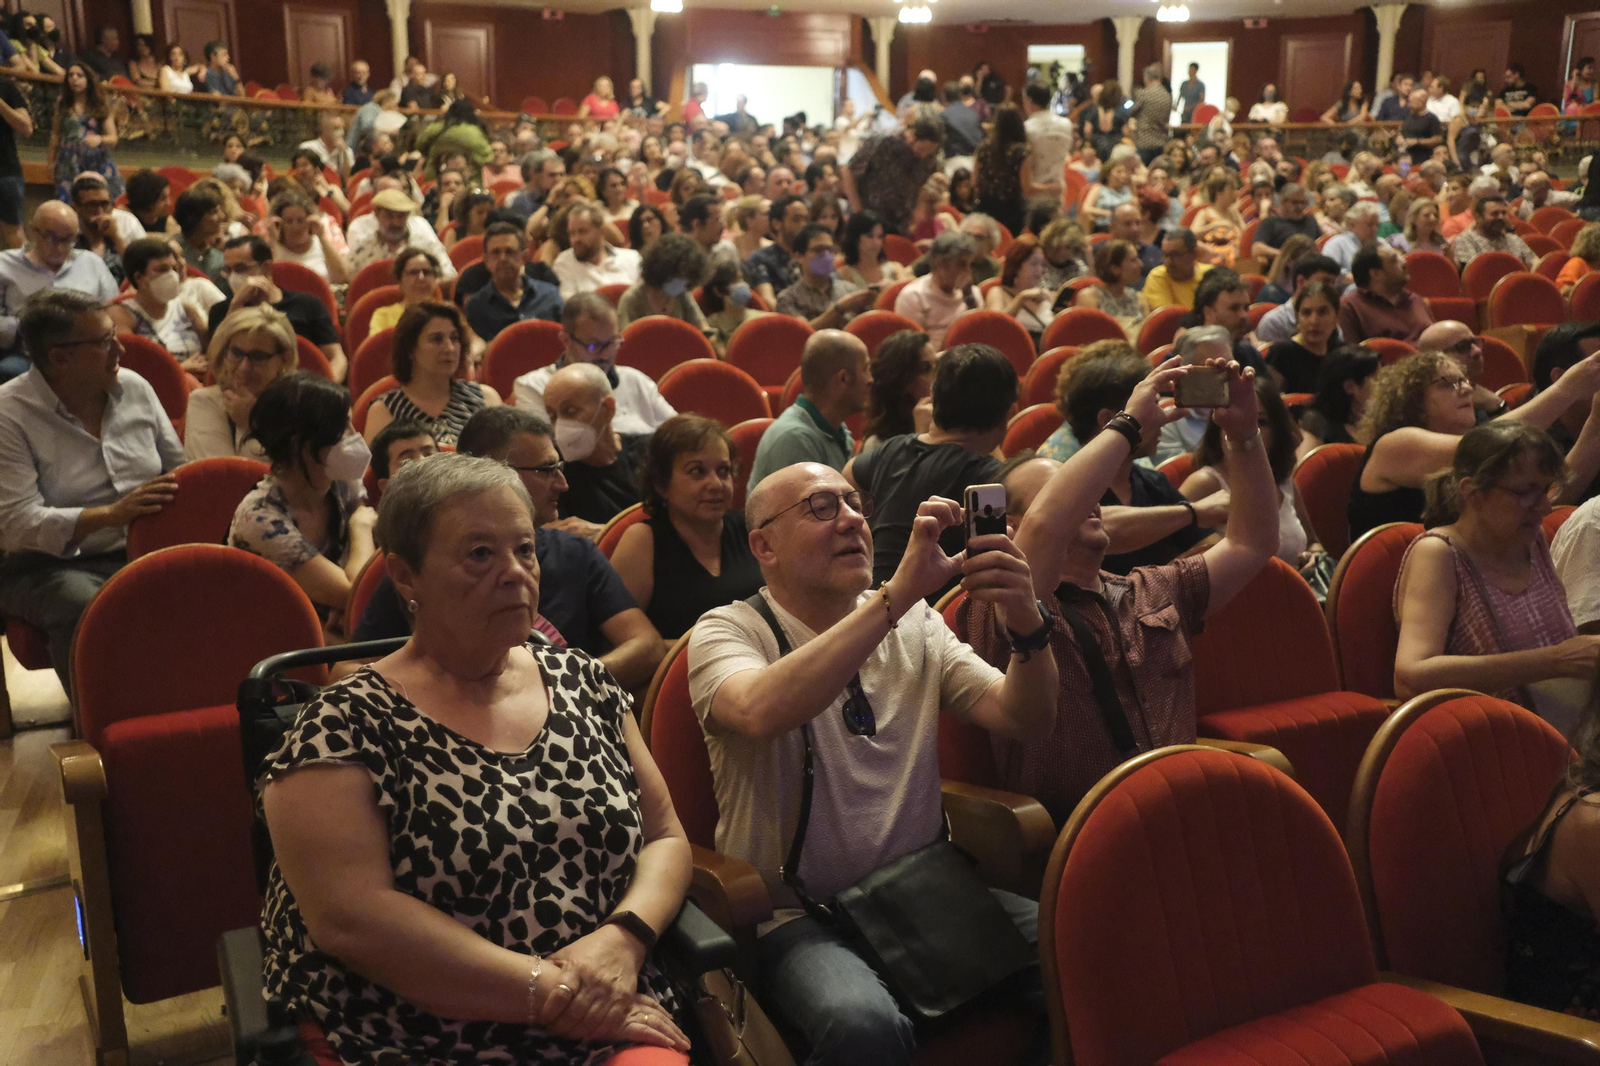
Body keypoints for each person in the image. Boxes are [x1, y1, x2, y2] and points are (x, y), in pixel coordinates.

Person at [260, 449, 693, 1065]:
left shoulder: (582, 679)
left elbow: (666, 837)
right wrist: (552, 989)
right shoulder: (343, 725)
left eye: (525, 549)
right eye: (480, 554)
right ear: (406, 577)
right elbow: (354, 922)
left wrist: (624, 939)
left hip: (608, 1001)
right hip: (421, 1028)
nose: (516, 572)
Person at [686, 457, 1056, 1066]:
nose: (851, 520)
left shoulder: (914, 621)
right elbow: (759, 710)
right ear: (764, 545)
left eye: (854, 503)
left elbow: (1026, 719)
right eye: (821, 507)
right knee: (861, 1026)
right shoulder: (727, 631)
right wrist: (897, 594)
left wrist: (1026, 623)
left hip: (922, 894)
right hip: (796, 915)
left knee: (1080, 946)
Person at [960, 354, 1277, 821]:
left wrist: (1243, 436)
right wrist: (1128, 425)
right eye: (1067, 493)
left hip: (1185, 813)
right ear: (1010, 528)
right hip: (1085, 838)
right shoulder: (1000, 605)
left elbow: (1252, 541)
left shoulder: (1152, 587)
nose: (1088, 498)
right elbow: (1047, 528)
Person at [0, 288, 183, 688]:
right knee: (86, 606)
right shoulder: (9, 415)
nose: (121, 349)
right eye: (104, 342)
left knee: (215, 581)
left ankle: (194, 708)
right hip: (45, 565)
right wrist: (112, 515)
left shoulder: (134, 388)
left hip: (143, 546)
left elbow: (179, 472)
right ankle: (102, 728)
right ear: (59, 358)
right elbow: (15, 524)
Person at [1394, 421, 1592, 737]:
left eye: (1545, 489)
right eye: (1525, 492)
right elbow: (1410, 676)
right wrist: (1555, 661)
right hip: (1489, 743)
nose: (1543, 506)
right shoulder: (1439, 554)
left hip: (1557, 733)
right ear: (1473, 492)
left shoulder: (1532, 538)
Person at [1349, 349, 1600, 541]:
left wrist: (1595, 427)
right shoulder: (1395, 444)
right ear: (1410, 400)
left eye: (1465, 381)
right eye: (1448, 383)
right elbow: (1490, 443)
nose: (1466, 390)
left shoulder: (1479, 449)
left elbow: (1549, 503)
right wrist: (1569, 387)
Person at [843, 343, 1015, 599]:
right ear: (1008, 413)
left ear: (934, 399)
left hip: (869, 608)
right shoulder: (993, 485)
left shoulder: (889, 450)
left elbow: (846, 479)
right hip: (937, 626)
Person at [228, 372, 375, 632]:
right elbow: (356, 592)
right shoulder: (260, 519)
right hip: (269, 641)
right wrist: (361, 525)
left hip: (336, 632)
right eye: (342, 429)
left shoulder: (340, 481)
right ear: (300, 445)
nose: (355, 436)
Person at [609, 414, 763, 640]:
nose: (716, 484)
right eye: (697, 472)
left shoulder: (750, 526)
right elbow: (629, 647)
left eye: (724, 471)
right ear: (662, 484)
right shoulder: (642, 540)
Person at [1181, 375, 1321, 569]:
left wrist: (1313, 556)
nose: (1245, 429)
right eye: (1233, 418)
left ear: (1277, 431)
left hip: (1295, 589)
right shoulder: (1204, 483)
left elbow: (1314, 542)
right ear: (1218, 426)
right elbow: (1172, 564)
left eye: (1260, 422)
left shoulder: (1282, 480)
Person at [513, 291, 675, 436]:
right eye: (594, 345)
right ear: (566, 340)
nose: (605, 354)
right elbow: (545, 454)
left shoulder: (637, 380)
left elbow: (679, 435)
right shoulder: (533, 387)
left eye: (612, 342)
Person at [0, 201, 118, 381]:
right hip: (29, 354)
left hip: (86, 352)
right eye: (52, 237)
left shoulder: (91, 263)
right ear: (33, 231)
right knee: (10, 372)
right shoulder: (5, 265)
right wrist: (24, 326)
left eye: (69, 239)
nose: (61, 247)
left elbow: (114, 310)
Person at [207, 235, 346, 381]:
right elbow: (215, 363)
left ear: (266, 268)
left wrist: (324, 394)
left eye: (240, 268)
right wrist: (235, 306)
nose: (233, 277)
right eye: (227, 270)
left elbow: (337, 357)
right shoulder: (221, 311)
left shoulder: (308, 305)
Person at [747, 329, 871, 492]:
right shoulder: (793, 439)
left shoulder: (835, 428)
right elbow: (811, 515)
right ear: (844, 378)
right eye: (866, 369)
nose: (871, 379)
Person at [364, 302, 500, 448]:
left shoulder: (485, 399)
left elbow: (508, 462)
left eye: (454, 338)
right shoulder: (385, 411)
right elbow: (376, 470)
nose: (449, 348)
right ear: (411, 349)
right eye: (436, 339)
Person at [182, 303, 298, 462]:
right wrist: (247, 429)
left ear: (285, 359)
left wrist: (249, 424)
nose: (244, 367)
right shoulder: (205, 401)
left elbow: (299, 481)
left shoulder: (300, 405)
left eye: (258, 357)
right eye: (236, 353)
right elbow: (226, 479)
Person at [544, 361, 649, 530]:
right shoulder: (553, 471)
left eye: (570, 411)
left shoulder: (649, 454)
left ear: (608, 408)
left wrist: (602, 532)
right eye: (553, 416)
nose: (560, 426)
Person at [107, 237, 208, 374]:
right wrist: (180, 370)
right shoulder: (121, 314)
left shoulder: (186, 308)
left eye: (174, 268)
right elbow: (129, 368)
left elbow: (212, 352)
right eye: (162, 269)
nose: (172, 275)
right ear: (139, 277)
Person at [841, 119, 944, 238]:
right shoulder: (883, 142)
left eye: (929, 151)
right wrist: (858, 210)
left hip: (901, 222)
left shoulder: (929, 158)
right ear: (911, 136)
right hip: (869, 214)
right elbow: (849, 171)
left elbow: (921, 185)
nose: (924, 155)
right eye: (922, 149)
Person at [464, 222, 563, 343]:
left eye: (510, 252)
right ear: (486, 260)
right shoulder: (476, 306)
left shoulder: (550, 295)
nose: (503, 258)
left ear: (524, 256)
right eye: (495, 253)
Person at [773, 224, 876, 329]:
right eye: (819, 250)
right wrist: (840, 308)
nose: (827, 256)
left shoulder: (850, 290)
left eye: (830, 250)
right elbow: (803, 332)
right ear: (798, 256)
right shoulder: (788, 298)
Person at [892, 231, 980, 350]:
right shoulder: (914, 296)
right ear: (941, 264)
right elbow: (913, 351)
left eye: (970, 265)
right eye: (962, 264)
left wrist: (969, 298)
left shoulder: (972, 293)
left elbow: (981, 336)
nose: (968, 271)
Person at [1338, 243, 1435, 346]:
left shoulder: (1415, 299)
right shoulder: (1350, 306)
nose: (1404, 262)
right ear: (1376, 274)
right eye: (1394, 260)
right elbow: (1352, 355)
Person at [51, 63, 120, 202]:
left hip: (95, 160)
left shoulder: (100, 105)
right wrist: (51, 162)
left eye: (79, 75)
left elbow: (113, 137)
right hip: (69, 161)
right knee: (69, 201)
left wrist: (99, 139)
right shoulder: (63, 103)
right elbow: (55, 134)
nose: (74, 79)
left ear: (88, 80)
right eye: (71, 75)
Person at [614, 233, 709, 332]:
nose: (683, 283)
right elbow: (625, 340)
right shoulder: (632, 299)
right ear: (663, 270)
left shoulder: (681, 295)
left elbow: (701, 328)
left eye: (687, 278)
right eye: (679, 277)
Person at [860, 329, 934, 453]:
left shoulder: (950, 428)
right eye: (925, 369)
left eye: (937, 365)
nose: (936, 375)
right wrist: (921, 438)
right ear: (903, 381)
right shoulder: (878, 445)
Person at [1297, 344, 1381, 453]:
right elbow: (1305, 467)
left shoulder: (1381, 420)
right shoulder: (1316, 421)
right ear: (1350, 387)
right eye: (1377, 379)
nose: (1385, 384)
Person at [1265, 280, 1342, 394]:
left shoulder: (1341, 354)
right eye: (1306, 313)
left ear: (1336, 317)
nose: (1314, 321)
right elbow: (1271, 403)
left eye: (1322, 312)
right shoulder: (1281, 354)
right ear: (1297, 318)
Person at [265, 188, 350, 286]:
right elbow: (271, 283)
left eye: (300, 220)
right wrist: (273, 241)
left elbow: (342, 278)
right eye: (289, 221)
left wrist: (322, 237)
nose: (295, 227)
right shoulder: (274, 249)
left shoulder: (321, 244)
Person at [1255, 253, 1340, 346]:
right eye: (1325, 282)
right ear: (1301, 281)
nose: (1332, 289)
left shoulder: (1331, 317)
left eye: (1333, 283)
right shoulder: (1273, 323)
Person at [972, 105, 1031, 237]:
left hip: (985, 207)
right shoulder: (1020, 152)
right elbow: (1026, 188)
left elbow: (974, 181)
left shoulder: (983, 148)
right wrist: (1050, 188)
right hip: (1012, 211)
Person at [1073, 238, 1145, 338]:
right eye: (1133, 260)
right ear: (1115, 269)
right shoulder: (1090, 298)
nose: (1140, 264)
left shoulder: (1139, 298)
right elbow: (1087, 339)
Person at [368, 246, 446, 334]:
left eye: (426, 272)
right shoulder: (383, 316)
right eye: (413, 272)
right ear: (400, 281)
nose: (421, 278)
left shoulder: (447, 313)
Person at [416, 98, 492, 184]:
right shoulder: (474, 132)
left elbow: (419, 144)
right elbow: (487, 157)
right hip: (468, 181)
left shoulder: (435, 128)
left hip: (434, 179)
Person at [1453, 193, 1538, 269]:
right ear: (1478, 217)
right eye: (1495, 214)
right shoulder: (1465, 240)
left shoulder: (1513, 239)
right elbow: (1474, 273)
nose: (1501, 217)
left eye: (1503, 213)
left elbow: (1535, 263)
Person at [1141, 228, 1211, 312]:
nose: (1168, 262)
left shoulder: (1211, 275)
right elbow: (1167, 318)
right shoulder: (1158, 277)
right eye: (1165, 255)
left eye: (1175, 254)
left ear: (1194, 253)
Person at [0, 58, 30, 249]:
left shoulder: (6, 87)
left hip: (5, 172)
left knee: (15, 234)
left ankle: (29, 277)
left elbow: (26, 128)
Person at [837, 209, 906, 290]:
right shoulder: (844, 274)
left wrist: (892, 287)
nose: (876, 243)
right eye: (869, 236)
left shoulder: (895, 269)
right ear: (855, 238)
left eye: (880, 237)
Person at [1250, 184, 1320, 262]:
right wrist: (1286, 255)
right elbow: (1257, 248)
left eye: (1303, 202)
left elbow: (1321, 243)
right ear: (1283, 202)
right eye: (1295, 202)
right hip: (1284, 266)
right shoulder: (1270, 222)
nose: (1300, 207)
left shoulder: (1310, 220)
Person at [1191, 170, 1245, 267]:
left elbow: (1245, 235)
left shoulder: (1234, 213)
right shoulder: (1204, 213)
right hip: (1213, 259)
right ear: (1220, 193)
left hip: (1237, 259)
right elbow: (1191, 235)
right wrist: (1215, 225)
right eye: (1233, 188)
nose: (1237, 192)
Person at [1131, 63, 1173, 165]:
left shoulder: (1144, 93)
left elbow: (1132, 111)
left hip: (1144, 140)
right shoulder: (1167, 95)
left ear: (1146, 77)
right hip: (1161, 140)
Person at [1081, 159, 1135, 234]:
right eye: (1119, 172)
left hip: (1126, 227)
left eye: (1125, 172)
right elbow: (1086, 208)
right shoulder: (1099, 189)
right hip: (1105, 226)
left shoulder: (1127, 189)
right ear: (1108, 174)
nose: (1123, 175)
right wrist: (1107, 213)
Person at [1396, 89, 1445, 167]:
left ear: (1421, 102)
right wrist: (1399, 137)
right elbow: (1401, 130)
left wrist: (1417, 141)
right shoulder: (1407, 115)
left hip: (1422, 158)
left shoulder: (1431, 119)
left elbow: (1437, 139)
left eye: (1412, 101)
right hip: (1405, 156)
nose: (1409, 104)